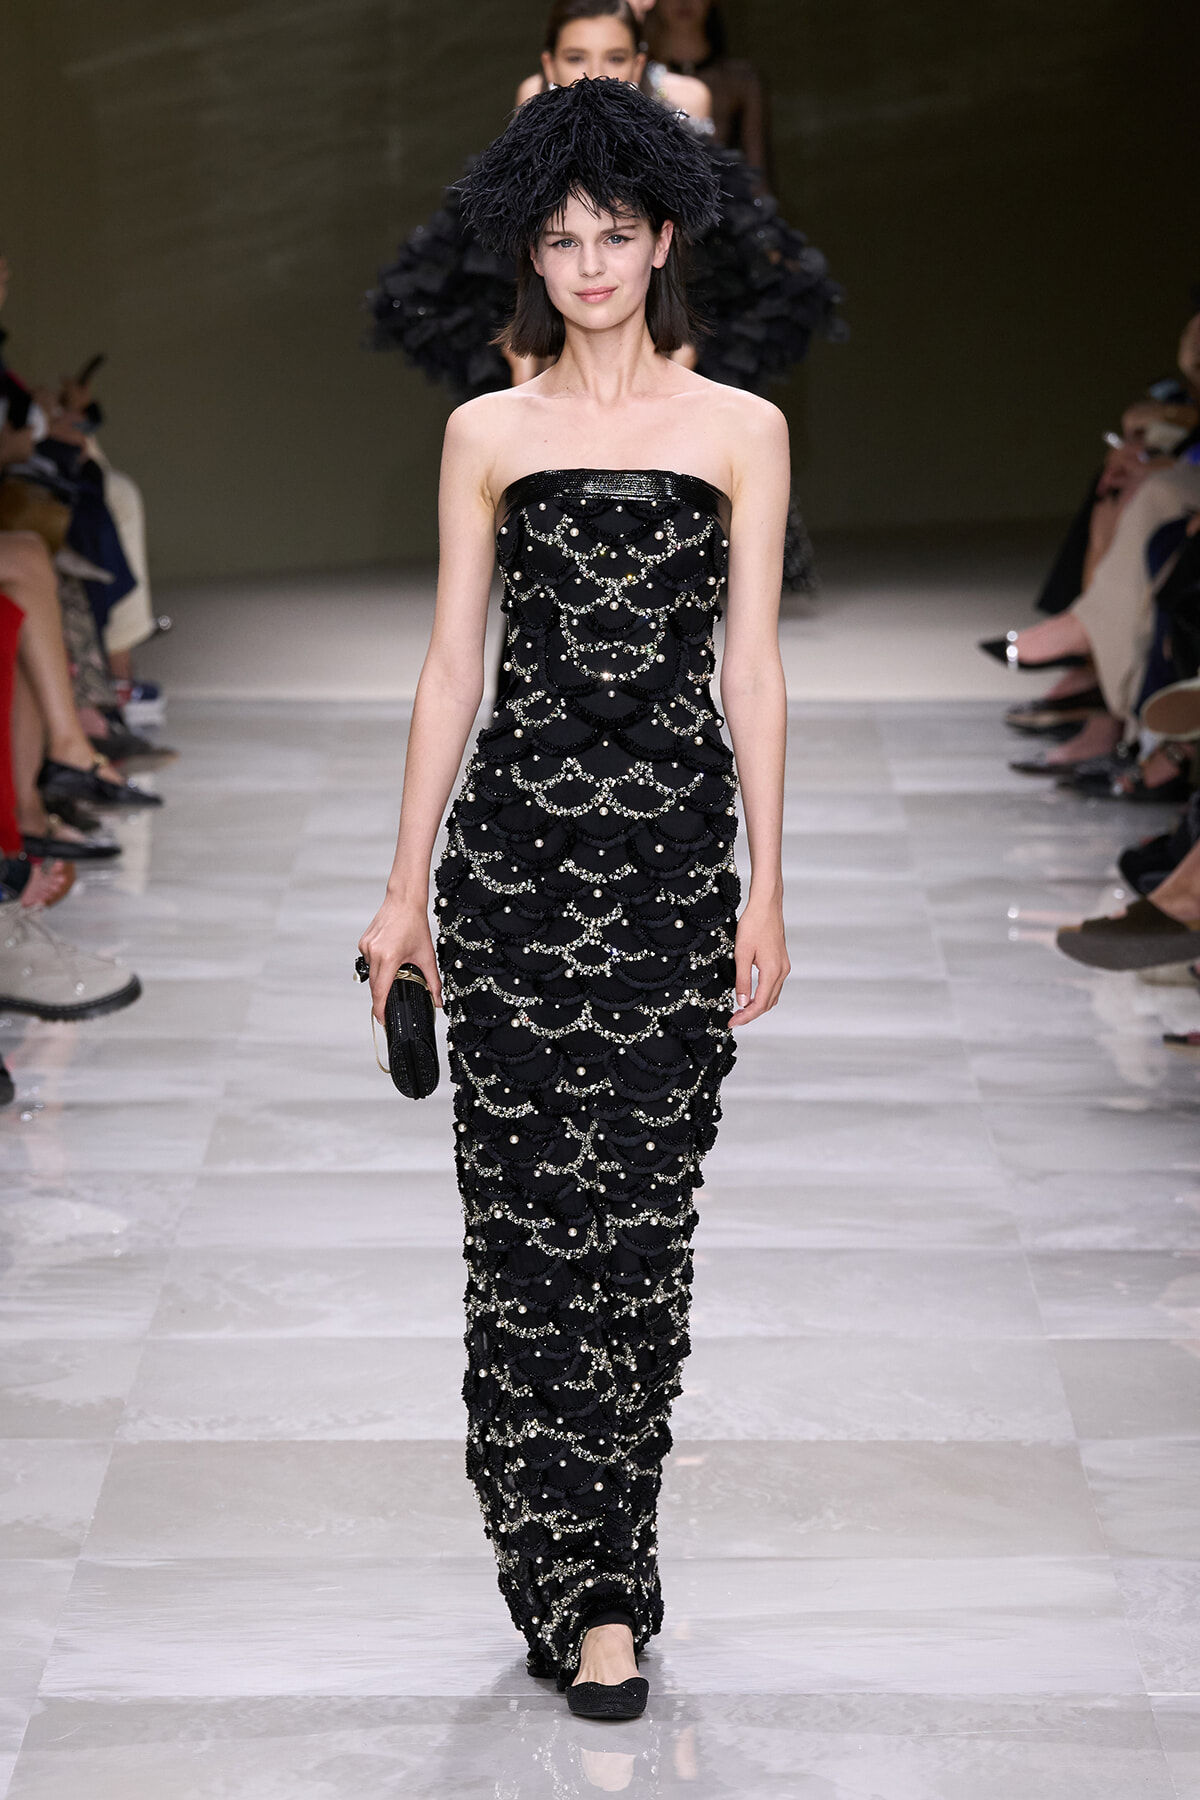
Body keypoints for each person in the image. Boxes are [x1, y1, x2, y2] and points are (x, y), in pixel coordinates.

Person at [358, 77, 789, 1716]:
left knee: (643, 1233)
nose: (590, 264)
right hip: (517, 873)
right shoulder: (489, 434)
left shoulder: (742, 431)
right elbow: (450, 668)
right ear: (530, 257)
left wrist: (769, 882)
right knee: (530, 1234)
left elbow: (753, 670)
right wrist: (404, 893)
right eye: (560, 239)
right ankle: (579, 1585)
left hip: (674, 869)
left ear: (664, 239)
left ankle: (609, 1557)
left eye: (615, 235)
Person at [645, 0, 770, 174]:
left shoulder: (740, 80)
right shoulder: (640, 77)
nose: (683, 2)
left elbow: (757, 171)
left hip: (720, 188)